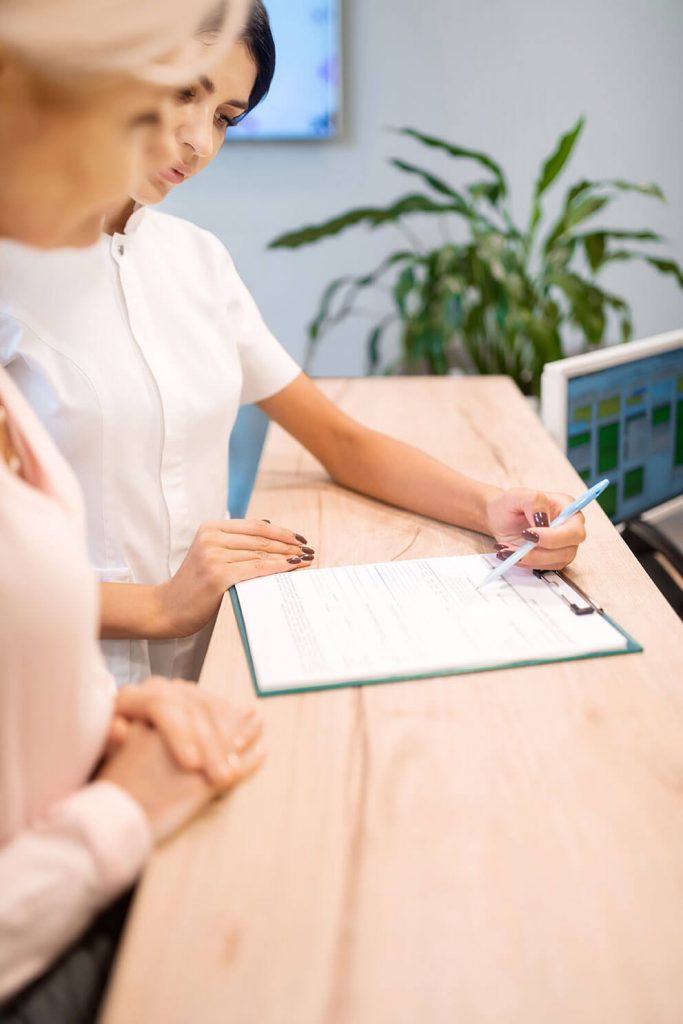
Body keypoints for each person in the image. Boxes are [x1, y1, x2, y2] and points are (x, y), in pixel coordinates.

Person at [0, 0, 588, 691]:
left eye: (225, 117)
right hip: (59, 688)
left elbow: (339, 441)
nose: (196, 142)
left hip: (211, 670)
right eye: (182, 93)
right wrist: (159, 606)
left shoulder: (196, 260)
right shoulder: (16, 262)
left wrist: (491, 507)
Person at [0, 1, 264, 1020]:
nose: (177, 145)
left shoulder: (165, 255)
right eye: (150, 99)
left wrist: (102, 718)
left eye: (214, 112)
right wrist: (119, 814)